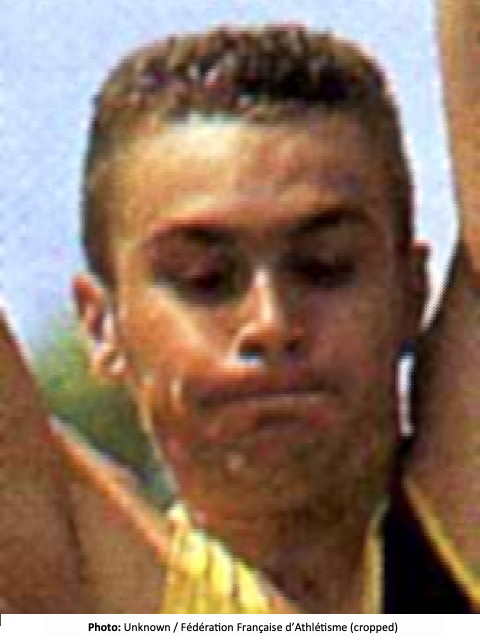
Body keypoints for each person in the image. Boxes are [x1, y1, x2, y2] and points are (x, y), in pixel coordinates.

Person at [0, 6, 478, 613]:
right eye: (205, 280)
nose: (271, 323)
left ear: (411, 291)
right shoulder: (98, 592)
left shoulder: (457, 531)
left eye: (324, 266)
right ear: (102, 326)